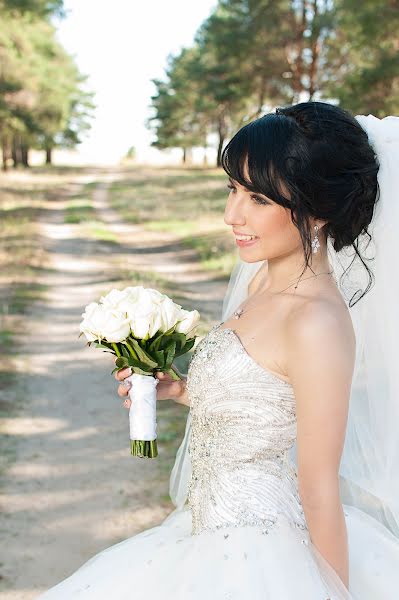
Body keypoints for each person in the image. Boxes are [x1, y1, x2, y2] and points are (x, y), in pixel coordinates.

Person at [37, 101, 399, 599]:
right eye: (233, 189)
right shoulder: (264, 284)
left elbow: (319, 491)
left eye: (259, 199)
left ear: (315, 213)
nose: (233, 215)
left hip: (264, 558)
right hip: (204, 534)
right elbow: (266, 399)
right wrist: (183, 389)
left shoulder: (315, 320)